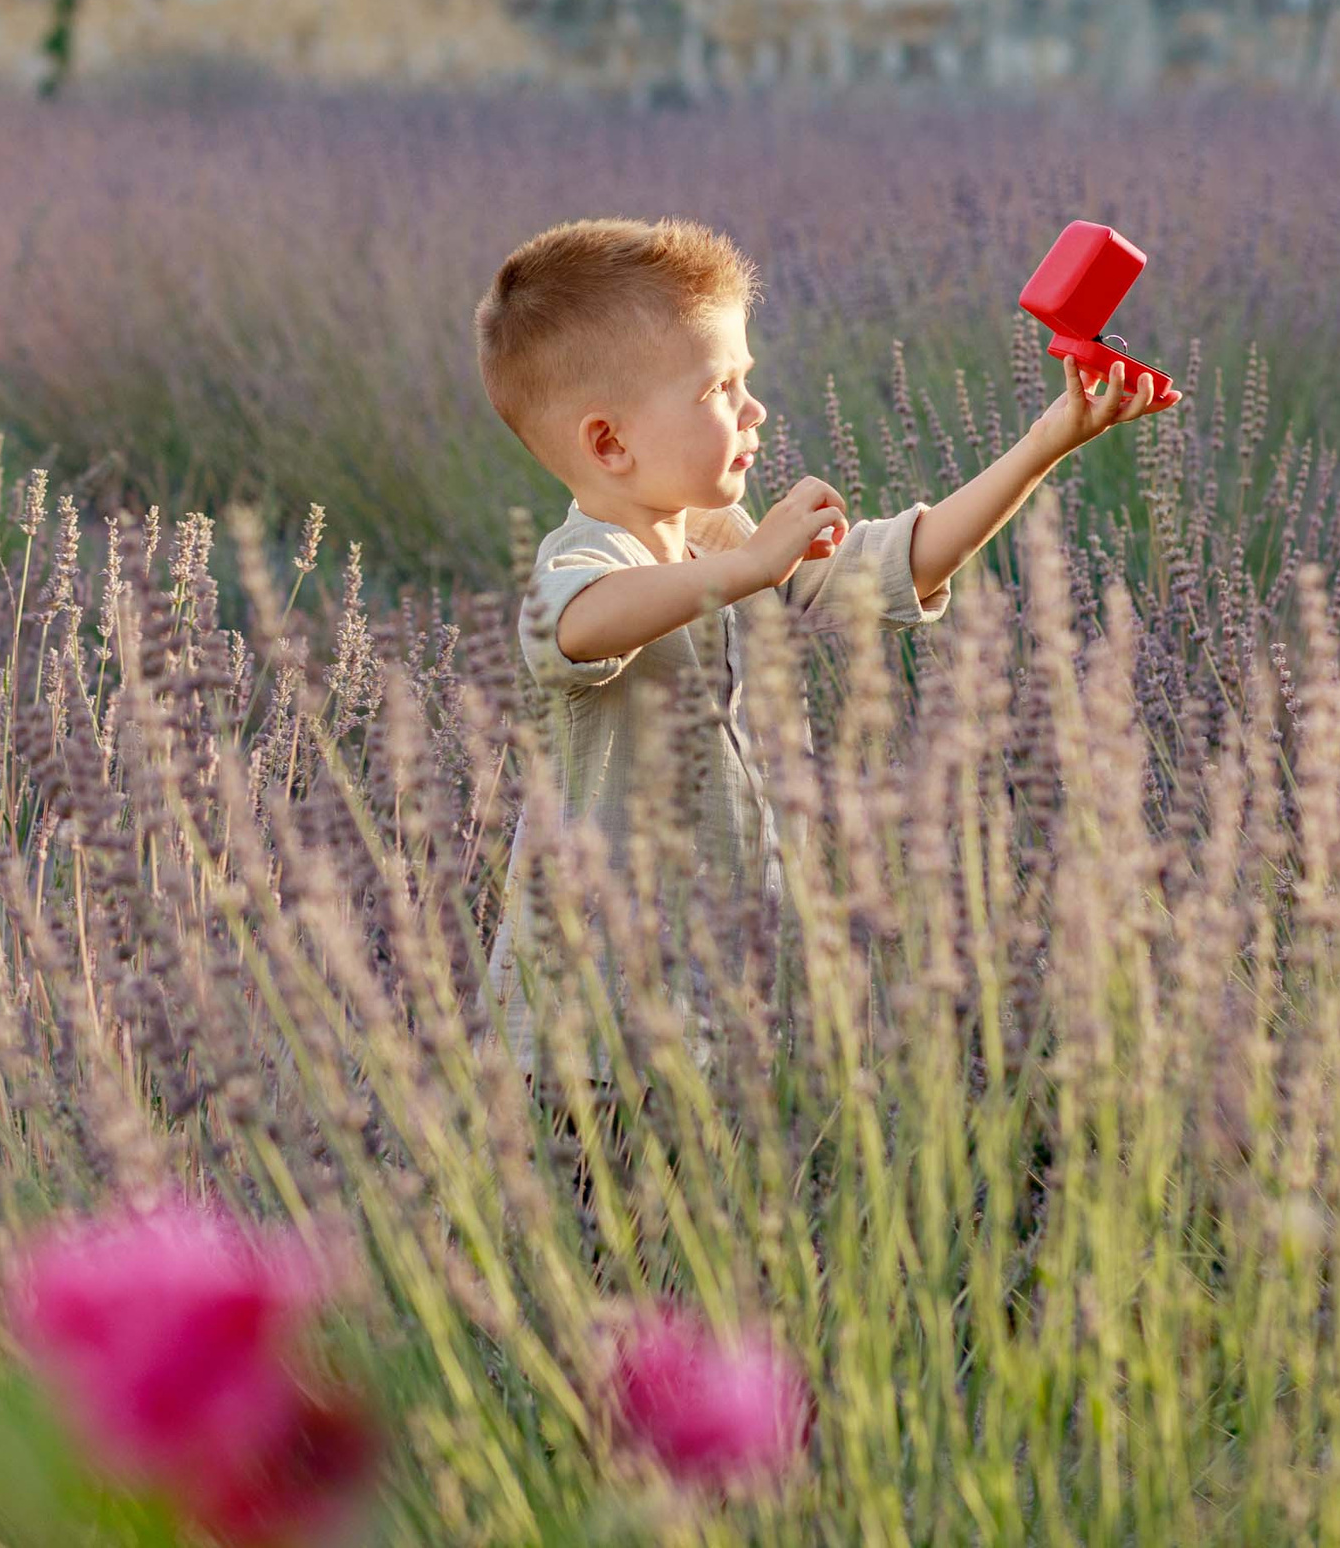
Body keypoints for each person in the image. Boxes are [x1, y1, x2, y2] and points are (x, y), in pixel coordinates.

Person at [471, 215, 1176, 1142]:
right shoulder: (589, 556)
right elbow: (572, 624)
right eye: (722, 388)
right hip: (583, 1049)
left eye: (747, 379)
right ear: (609, 445)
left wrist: (1050, 438)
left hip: (709, 1023)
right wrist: (751, 566)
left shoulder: (718, 538)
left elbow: (900, 564)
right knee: (590, 1267)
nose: (754, 409)